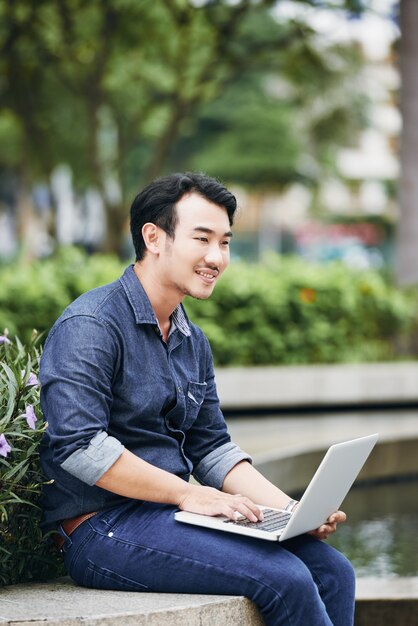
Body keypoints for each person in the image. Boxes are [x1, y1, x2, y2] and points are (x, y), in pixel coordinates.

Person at [39, 172, 355, 626]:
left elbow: (212, 448)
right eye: (202, 239)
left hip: (172, 517)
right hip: (102, 529)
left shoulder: (192, 339)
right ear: (153, 237)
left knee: (332, 570)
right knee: (286, 577)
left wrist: (291, 512)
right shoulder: (91, 324)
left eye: (225, 242)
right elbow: (81, 447)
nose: (216, 257)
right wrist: (188, 495)